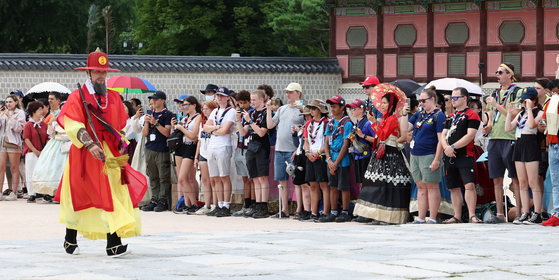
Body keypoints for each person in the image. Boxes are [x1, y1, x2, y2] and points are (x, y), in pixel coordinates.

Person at [54, 50, 147, 257]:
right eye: (97, 71)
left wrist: (121, 139)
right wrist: (89, 143)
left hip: (110, 154)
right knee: (81, 193)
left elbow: (121, 125)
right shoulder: (76, 96)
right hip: (86, 152)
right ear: (88, 72)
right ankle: (70, 236)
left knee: (113, 192)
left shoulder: (113, 97)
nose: (101, 76)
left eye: (104, 72)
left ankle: (113, 242)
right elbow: (72, 123)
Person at [354, 91, 412, 224]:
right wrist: (375, 122)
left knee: (389, 184)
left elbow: (383, 136)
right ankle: (378, 215)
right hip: (382, 152)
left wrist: (373, 122)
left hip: (390, 154)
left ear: (391, 105)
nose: (383, 105)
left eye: (385, 102)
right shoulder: (386, 118)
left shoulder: (392, 119)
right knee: (379, 184)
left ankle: (388, 217)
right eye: (382, 102)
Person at [483, 62, 523, 223]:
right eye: (496, 72)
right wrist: (488, 126)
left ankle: (520, 212)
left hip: (511, 138)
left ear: (509, 74)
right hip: (494, 139)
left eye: (500, 72)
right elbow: (492, 116)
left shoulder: (517, 92)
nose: (497, 75)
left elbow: (514, 116)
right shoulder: (495, 92)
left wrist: (496, 105)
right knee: (496, 178)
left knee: (515, 178)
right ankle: (500, 214)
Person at [403, 86, 446, 224]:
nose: (421, 103)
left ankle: (432, 217)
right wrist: (403, 115)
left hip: (429, 154)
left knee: (432, 186)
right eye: (420, 101)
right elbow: (405, 129)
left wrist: (437, 158)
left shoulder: (439, 115)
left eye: (423, 100)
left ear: (432, 99)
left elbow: (441, 140)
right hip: (415, 154)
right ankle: (421, 218)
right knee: (421, 187)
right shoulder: (420, 114)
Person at [440, 88, 482, 224]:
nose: (452, 100)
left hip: (465, 154)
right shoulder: (450, 116)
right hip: (449, 155)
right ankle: (457, 215)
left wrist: (453, 147)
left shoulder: (472, 115)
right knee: (453, 186)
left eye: (455, 97)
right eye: (452, 97)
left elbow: (470, 135)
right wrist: (446, 147)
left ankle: (471, 215)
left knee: (469, 184)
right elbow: (442, 134)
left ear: (464, 98)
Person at [504, 87, 543, 224]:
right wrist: (509, 113)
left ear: (533, 100)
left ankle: (537, 213)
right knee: (522, 182)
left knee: (533, 182)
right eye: (523, 100)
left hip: (530, 145)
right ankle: (525, 212)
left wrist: (529, 109)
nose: (524, 103)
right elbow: (508, 128)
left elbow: (533, 125)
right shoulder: (521, 114)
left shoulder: (538, 112)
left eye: (527, 100)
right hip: (519, 145)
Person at [266, 82, 305, 218]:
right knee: (281, 181)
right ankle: (284, 210)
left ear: (298, 94)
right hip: (279, 150)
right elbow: (270, 125)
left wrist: (299, 149)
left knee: (298, 181)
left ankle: (300, 209)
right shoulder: (282, 109)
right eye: (287, 92)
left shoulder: (304, 109)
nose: (287, 94)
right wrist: (269, 110)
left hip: (294, 150)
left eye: (291, 92)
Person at [237, 90, 271, 218]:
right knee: (255, 178)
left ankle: (264, 206)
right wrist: (238, 120)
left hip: (262, 147)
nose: (251, 102)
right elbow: (242, 133)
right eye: (251, 99)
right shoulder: (250, 113)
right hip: (251, 146)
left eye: (254, 100)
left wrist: (250, 121)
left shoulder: (266, 113)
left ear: (262, 100)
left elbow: (262, 132)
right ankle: (256, 205)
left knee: (262, 178)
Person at [202, 87, 236, 217]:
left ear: (228, 97)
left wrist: (215, 129)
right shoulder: (215, 111)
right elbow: (205, 127)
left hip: (223, 146)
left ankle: (226, 205)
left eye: (222, 95)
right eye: (218, 96)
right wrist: (217, 127)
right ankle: (219, 204)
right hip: (212, 145)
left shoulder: (231, 111)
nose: (219, 98)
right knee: (214, 178)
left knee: (224, 176)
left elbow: (226, 130)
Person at [30, 102, 70, 203]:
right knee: (52, 168)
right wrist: (52, 122)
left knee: (66, 169)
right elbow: (50, 134)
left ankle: (64, 194)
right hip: (55, 145)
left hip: (69, 145)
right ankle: (51, 194)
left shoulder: (72, 120)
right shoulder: (55, 120)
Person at [323, 95, 354, 223]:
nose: (332, 109)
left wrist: (335, 163)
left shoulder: (347, 123)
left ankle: (345, 212)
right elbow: (325, 143)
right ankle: (333, 211)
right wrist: (329, 160)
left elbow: (346, 145)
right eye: (331, 106)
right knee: (332, 186)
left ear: (342, 108)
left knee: (344, 187)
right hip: (331, 158)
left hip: (342, 160)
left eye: (335, 106)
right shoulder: (330, 123)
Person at [141, 91, 173, 212]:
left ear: (162, 101)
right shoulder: (150, 113)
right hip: (149, 147)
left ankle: (162, 200)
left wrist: (156, 122)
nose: (153, 102)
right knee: (152, 175)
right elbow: (145, 133)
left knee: (163, 176)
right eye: (152, 100)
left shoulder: (168, 114)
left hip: (161, 148)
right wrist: (147, 122)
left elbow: (167, 133)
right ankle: (154, 199)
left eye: (156, 99)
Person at [347, 99, 377, 224]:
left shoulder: (367, 123)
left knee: (366, 185)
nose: (352, 111)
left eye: (354, 108)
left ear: (361, 110)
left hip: (366, 156)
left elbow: (376, 138)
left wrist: (362, 135)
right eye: (351, 109)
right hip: (358, 156)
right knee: (360, 184)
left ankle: (368, 212)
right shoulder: (357, 123)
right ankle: (362, 211)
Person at [171, 96, 202, 214]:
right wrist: (177, 126)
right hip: (180, 147)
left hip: (190, 147)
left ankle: (194, 204)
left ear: (194, 105)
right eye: (183, 105)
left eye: (186, 105)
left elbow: (194, 135)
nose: (184, 107)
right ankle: (187, 203)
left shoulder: (198, 117)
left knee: (184, 178)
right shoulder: (185, 118)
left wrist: (180, 128)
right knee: (182, 178)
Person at [302, 100, 329, 222]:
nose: (311, 110)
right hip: (310, 156)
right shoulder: (309, 124)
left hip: (322, 156)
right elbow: (306, 141)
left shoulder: (327, 123)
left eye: (314, 108)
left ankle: (325, 212)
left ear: (320, 110)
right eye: (310, 108)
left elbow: (328, 143)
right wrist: (307, 153)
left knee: (323, 185)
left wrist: (318, 152)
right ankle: (314, 212)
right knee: (312, 185)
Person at [232, 90, 256, 217]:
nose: (243, 105)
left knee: (252, 178)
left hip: (249, 148)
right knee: (245, 179)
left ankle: (253, 204)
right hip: (239, 147)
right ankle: (246, 205)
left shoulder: (251, 113)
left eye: (245, 102)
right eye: (240, 103)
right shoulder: (238, 114)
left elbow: (245, 132)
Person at [194, 100, 218, 215]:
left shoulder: (216, 122)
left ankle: (215, 204)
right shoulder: (202, 122)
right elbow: (199, 140)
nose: (204, 111)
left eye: (206, 109)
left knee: (214, 180)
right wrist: (196, 156)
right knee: (205, 180)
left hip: (213, 152)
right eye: (203, 109)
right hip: (203, 152)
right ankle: (207, 205)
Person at [0, 94, 25, 201]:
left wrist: (10, 117)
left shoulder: (20, 113)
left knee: (14, 168)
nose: (8, 104)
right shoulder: (3, 112)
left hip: (14, 143)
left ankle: (14, 192)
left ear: (16, 102)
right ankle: (0, 192)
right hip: (2, 143)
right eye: (7, 102)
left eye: (10, 102)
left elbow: (18, 128)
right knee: (1, 168)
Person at [542, 78, 559, 226]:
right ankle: (557, 213)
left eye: (556, 91)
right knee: (555, 182)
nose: (554, 94)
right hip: (553, 144)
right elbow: (542, 124)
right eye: (552, 92)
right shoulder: (549, 103)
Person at [23, 101, 48, 203]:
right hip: (31, 153)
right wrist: (35, 151)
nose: (41, 111)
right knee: (30, 172)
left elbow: (47, 137)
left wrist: (44, 149)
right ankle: (31, 194)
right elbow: (26, 139)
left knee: (43, 173)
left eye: (42, 109)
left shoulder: (44, 125)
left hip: (42, 153)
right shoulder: (28, 125)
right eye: (39, 110)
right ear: (33, 112)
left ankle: (42, 193)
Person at [293, 107, 312, 220]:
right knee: (301, 184)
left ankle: (310, 209)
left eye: (308, 115)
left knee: (309, 184)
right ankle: (305, 209)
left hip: (308, 154)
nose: (307, 117)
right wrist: (294, 134)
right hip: (300, 154)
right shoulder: (304, 127)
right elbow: (297, 143)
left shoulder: (314, 126)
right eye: (305, 116)